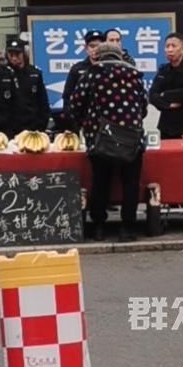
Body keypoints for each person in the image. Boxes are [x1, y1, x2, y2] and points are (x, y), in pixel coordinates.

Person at [68, 38, 148, 239]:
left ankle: (99, 227)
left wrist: (86, 122)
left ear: (98, 56)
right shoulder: (135, 75)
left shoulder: (91, 75)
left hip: (100, 138)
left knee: (100, 182)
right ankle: (127, 227)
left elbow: (75, 104)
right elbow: (143, 108)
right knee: (130, 183)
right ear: (120, 57)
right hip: (131, 139)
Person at [149, 31, 183, 139]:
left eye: (173, 46)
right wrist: (167, 105)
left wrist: (165, 95)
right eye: (167, 46)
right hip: (167, 126)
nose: (170, 50)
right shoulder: (163, 70)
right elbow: (152, 95)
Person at [6, 35, 51, 133]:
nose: (14, 58)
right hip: (10, 128)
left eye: (17, 54)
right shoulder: (4, 74)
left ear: (24, 53)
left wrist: (41, 127)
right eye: (11, 54)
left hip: (33, 126)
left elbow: (43, 103)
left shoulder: (35, 73)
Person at [60, 30, 104, 123]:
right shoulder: (77, 69)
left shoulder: (109, 68)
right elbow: (67, 97)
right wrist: (74, 122)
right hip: (83, 122)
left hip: (105, 121)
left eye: (99, 46)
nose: (95, 49)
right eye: (92, 46)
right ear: (86, 48)